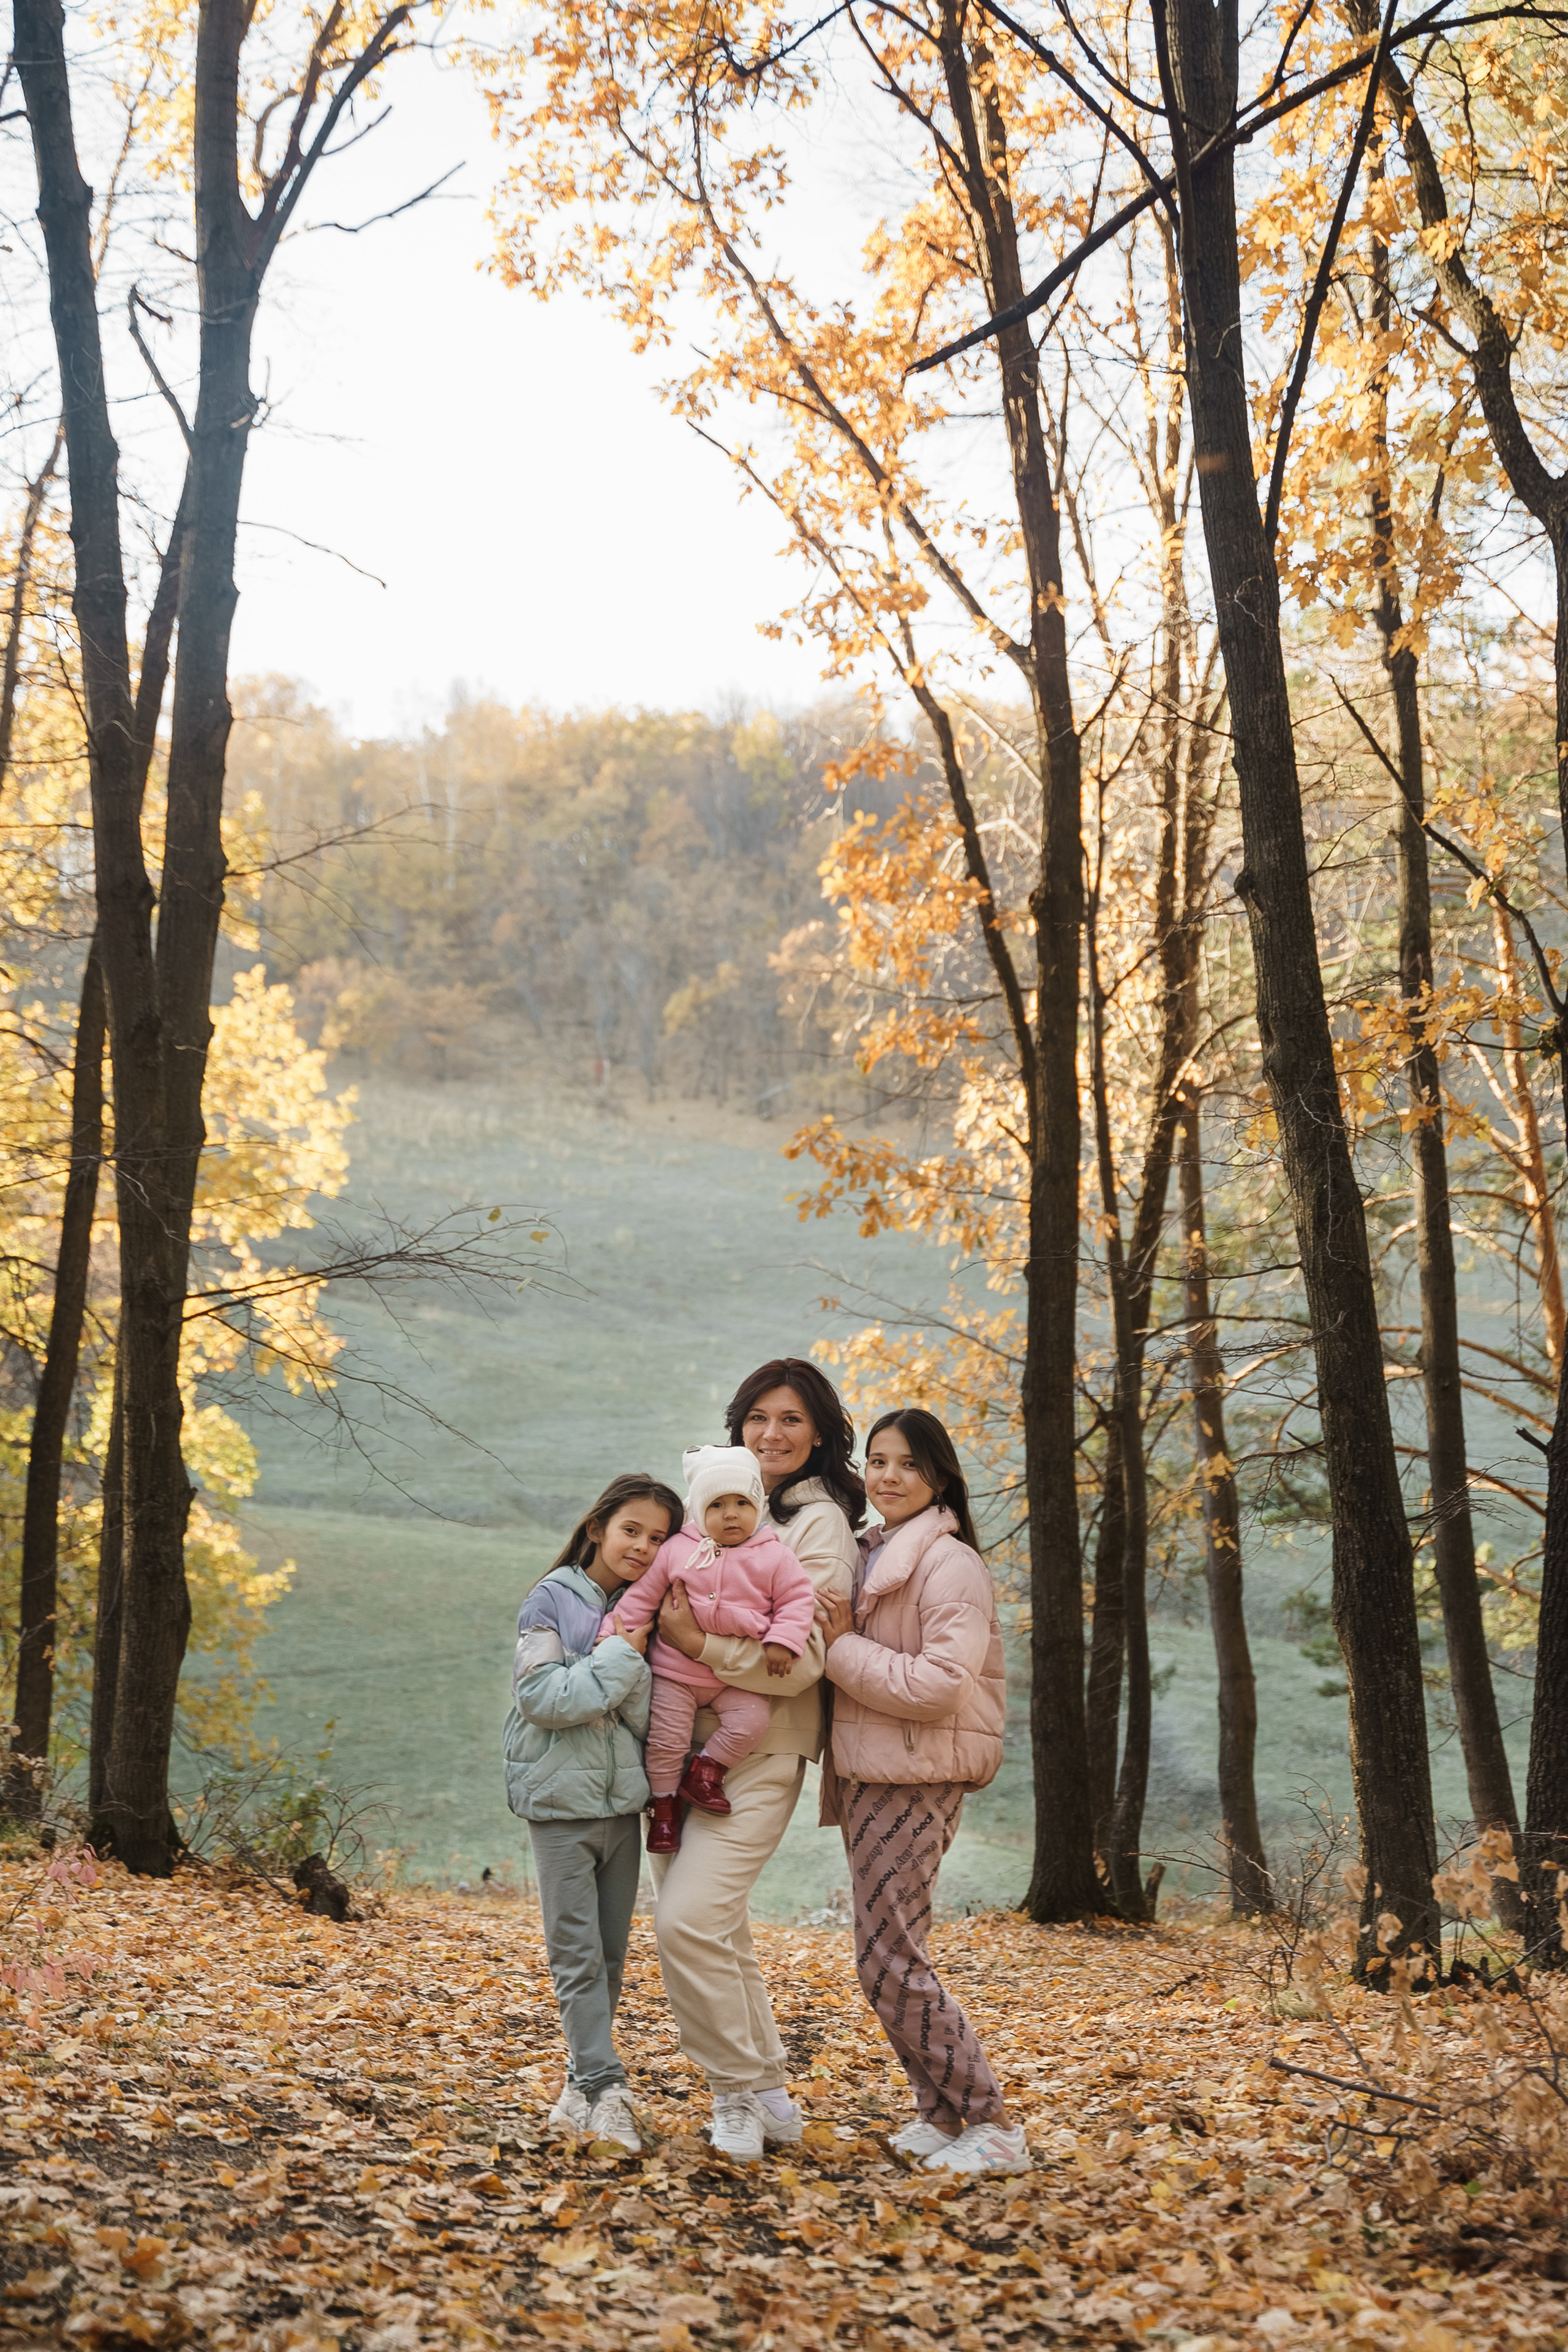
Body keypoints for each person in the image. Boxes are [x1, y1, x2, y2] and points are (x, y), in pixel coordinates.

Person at [650, 1359, 862, 2162]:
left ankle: (734, 2090)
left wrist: (699, 1645)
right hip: (677, 1751)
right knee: (718, 1932)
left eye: (793, 1420)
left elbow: (805, 1655)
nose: (773, 1434)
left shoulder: (818, 1525)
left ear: (819, 1435)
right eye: (759, 1418)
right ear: (738, 1427)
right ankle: (765, 2095)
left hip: (765, 1748)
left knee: (689, 1920)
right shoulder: (710, 1509)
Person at [817, 1407, 1026, 2177]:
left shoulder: (949, 1564)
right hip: (874, 1772)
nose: (888, 1477)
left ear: (938, 1475)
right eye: (877, 1461)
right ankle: (941, 2117)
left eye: (907, 1463)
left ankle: (990, 2122)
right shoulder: (876, 1554)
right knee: (887, 1954)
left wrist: (840, 1648)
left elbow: (940, 1686)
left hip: (918, 1775)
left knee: (888, 1960)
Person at [502, 1470, 682, 2153]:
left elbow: (641, 1710)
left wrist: (625, 1662)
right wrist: (616, 1658)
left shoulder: (644, 1608)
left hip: (620, 1805)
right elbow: (543, 1700)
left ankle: (580, 2087)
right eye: (631, 1530)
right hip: (558, 1804)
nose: (642, 1546)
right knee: (575, 1956)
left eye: (657, 1538)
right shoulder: (548, 1600)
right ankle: (609, 2088)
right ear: (597, 1527)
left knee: (609, 1957)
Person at [603, 1445, 816, 1851]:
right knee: (667, 1739)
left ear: (758, 1506)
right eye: (717, 1505)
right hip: (676, 1672)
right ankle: (664, 1809)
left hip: (734, 1675)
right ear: (699, 1511)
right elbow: (643, 1597)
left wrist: (782, 1641)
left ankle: (705, 1772)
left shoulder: (775, 1557)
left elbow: (797, 1600)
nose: (731, 1514)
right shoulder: (677, 1551)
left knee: (752, 1722)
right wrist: (611, 1634)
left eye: (742, 1502)